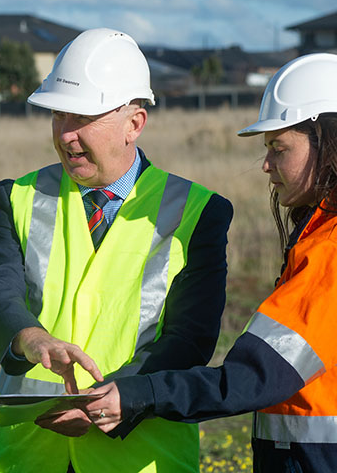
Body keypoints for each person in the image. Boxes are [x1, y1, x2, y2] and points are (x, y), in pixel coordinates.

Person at [0, 28, 233, 473]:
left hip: (141, 459)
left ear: (134, 123)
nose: (66, 136)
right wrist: (31, 338)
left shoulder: (199, 212)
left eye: (82, 119)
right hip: (22, 456)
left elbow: (189, 339)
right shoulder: (18, 195)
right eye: (59, 117)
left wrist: (108, 402)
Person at [82, 52, 337, 473]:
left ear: (328, 144)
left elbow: (250, 377)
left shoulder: (328, 249)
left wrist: (139, 393)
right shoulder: (318, 236)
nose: (267, 165)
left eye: (279, 147)